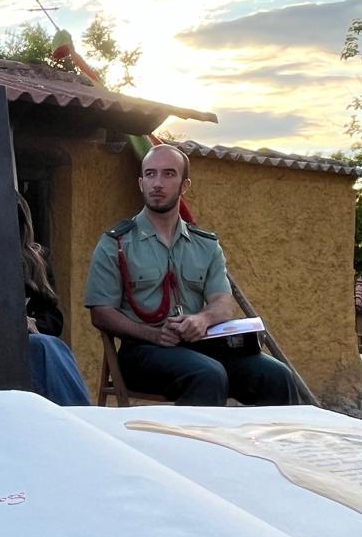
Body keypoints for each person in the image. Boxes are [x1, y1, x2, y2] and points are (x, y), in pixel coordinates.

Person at [84, 144, 306, 406]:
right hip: (142, 351)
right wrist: (153, 335)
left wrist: (202, 320)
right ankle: (196, 447)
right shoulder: (117, 243)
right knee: (207, 374)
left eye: (168, 174)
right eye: (150, 174)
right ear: (141, 183)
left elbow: (222, 303)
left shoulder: (206, 244)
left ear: (184, 185)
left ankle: (269, 447)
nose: (157, 183)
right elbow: (101, 313)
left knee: (275, 374)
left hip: (201, 345)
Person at [18, 193, 91, 406]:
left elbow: (52, 317)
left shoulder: (36, 260)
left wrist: (31, 323)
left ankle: (78, 414)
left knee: (50, 346)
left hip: (28, 342)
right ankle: (75, 415)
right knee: (43, 347)